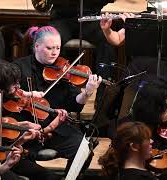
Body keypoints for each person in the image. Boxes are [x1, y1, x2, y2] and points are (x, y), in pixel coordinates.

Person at [12, 26, 102, 177]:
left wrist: (87, 92)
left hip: (55, 126)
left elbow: (75, 103)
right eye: (49, 48)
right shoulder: (19, 67)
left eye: (58, 48)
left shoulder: (64, 70)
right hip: (26, 128)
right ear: (37, 46)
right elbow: (9, 95)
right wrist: (27, 95)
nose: (54, 52)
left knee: (84, 149)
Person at [100, 12, 167, 118]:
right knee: (126, 92)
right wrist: (107, 29)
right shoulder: (147, 18)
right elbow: (117, 40)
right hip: (140, 68)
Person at [48, 0, 116, 81]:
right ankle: (54, 82)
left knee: (107, 38)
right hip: (62, 19)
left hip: (89, 20)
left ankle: (104, 84)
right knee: (51, 38)